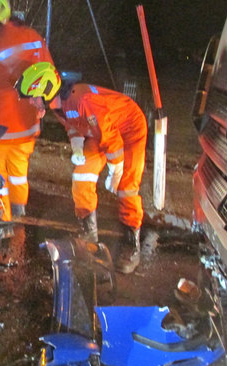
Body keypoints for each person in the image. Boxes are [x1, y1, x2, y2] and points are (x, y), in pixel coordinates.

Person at [21, 65, 147, 274]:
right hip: (102, 130)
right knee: (82, 176)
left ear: (46, 91)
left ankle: (131, 244)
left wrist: (115, 168)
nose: (31, 102)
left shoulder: (83, 102)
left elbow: (111, 138)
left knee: (127, 187)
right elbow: (74, 125)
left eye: (33, 97)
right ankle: (89, 237)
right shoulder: (59, 104)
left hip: (129, 128)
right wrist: (77, 145)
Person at [0, 0, 56, 220]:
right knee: (19, 175)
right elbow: (50, 76)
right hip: (27, 129)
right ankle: (19, 216)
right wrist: (41, 104)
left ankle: (6, 224)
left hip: (0, 129)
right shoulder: (34, 38)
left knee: (0, 178)